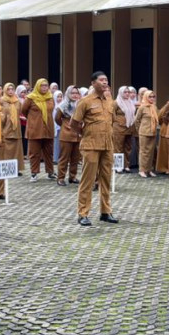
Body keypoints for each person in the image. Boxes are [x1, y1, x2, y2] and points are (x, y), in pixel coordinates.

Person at [69, 71, 118, 226]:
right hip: (91, 145)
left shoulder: (111, 102)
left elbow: (113, 121)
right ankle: (83, 213)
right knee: (88, 180)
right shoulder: (85, 101)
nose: (105, 83)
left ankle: (105, 211)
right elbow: (74, 123)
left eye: (106, 80)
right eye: (101, 80)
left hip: (107, 145)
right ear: (93, 83)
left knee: (106, 179)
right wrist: (84, 133)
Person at [22, 78, 56, 181]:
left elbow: (52, 110)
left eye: (46, 85)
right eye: (42, 85)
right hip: (35, 129)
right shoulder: (30, 98)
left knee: (49, 152)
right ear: (37, 86)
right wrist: (34, 120)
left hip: (48, 128)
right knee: (34, 152)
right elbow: (24, 111)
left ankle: (50, 172)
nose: (44, 87)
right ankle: (34, 173)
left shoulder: (50, 97)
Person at [55, 86, 82, 186]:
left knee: (75, 158)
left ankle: (72, 176)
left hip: (78, 133)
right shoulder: (63, 105)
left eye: (77, 93)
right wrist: (64, 125)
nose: (75, 95)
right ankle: (60, 178)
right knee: (64, 157)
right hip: (66, 133)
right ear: (68, 94)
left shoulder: (80, 104)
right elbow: (57, 118)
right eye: (73, 93)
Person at [0, 82, 24, 173]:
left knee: (16, 150)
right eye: (8, 89)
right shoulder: (1, 100)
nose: (10, 91)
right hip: (6, 128)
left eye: (12, 89)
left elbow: (20, 112)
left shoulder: (17, 101)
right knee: (6, 150)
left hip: (16, 129)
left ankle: (16, 169)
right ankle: (6, 169)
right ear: (5, 90)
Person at [135, 88, 159, 178]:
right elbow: (137, 120)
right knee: (143, 152)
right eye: (150, 97)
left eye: (153, 97)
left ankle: (149, 169)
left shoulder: (154, 107)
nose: (152, 98)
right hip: (144, 132)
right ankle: (142, 170)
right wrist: (140, 130)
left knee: (151, 152)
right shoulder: (142, 107)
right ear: (145, 97)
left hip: (153, 132)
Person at [113, 86, 136, 174]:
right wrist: (117, 123)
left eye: (128, 92)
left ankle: (126, 165)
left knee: (128, 147)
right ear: (121, 93)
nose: (127, 94)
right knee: (118, 147)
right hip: (119, 128)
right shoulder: (116, 103)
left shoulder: (130, 102)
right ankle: (118, 167)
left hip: (129, 128)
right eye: (125, 92)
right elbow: (112, 115)